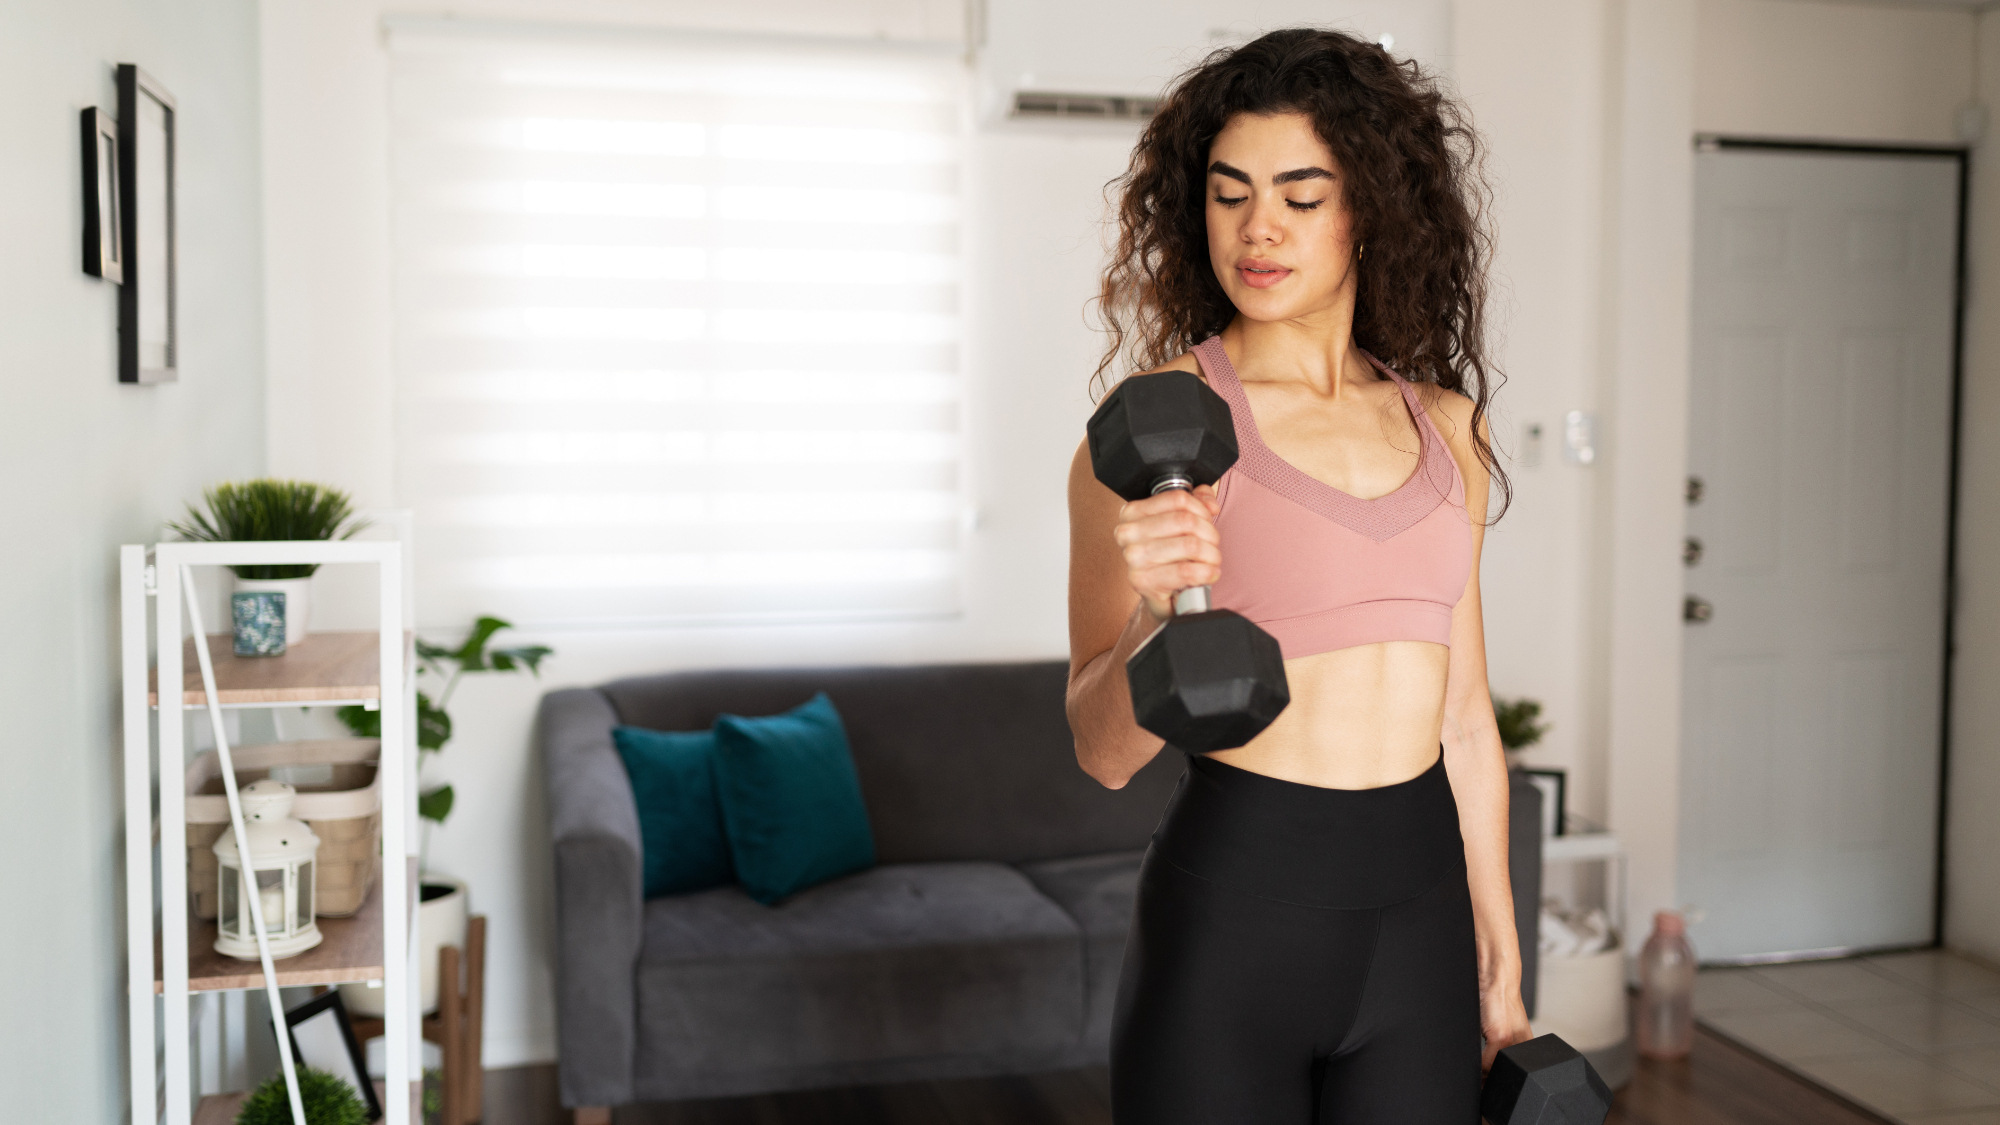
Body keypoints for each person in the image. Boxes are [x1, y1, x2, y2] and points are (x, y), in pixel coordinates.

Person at [1065, 28, 1530, 1124]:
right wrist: (1149, 623)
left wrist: (1500, 960)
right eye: (1228, 195)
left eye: (1299, 195)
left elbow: (1462, 721)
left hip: (1416, 928)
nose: (1256, 228)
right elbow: (1097, 752)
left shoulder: (1444, 430)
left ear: (1370, 205)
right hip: (1235, 921)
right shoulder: (1155, 433)